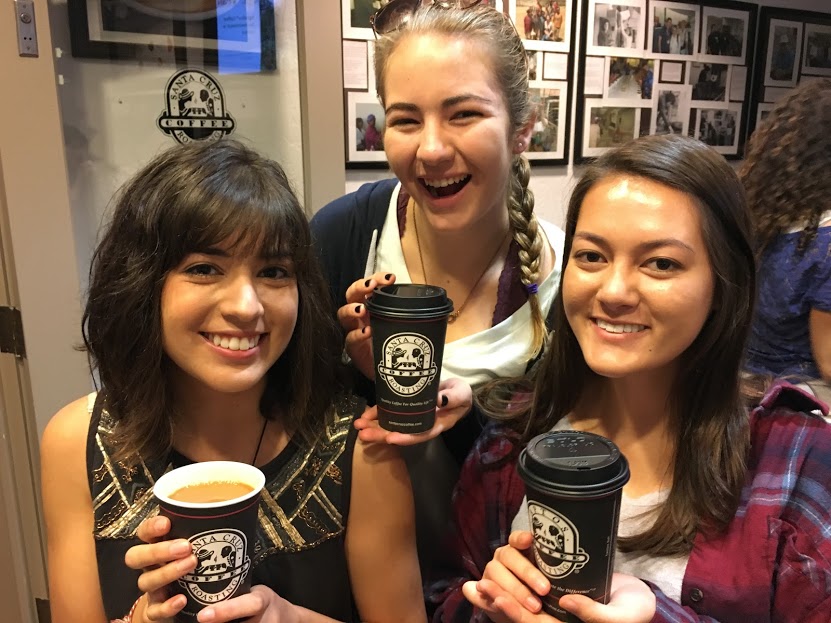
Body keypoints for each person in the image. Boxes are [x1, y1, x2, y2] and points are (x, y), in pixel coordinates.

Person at [426, 134, 831, 622]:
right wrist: (489, 603)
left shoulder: (795, 464)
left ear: (724, 286)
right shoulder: (511, 442)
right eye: (592, 256)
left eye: (661, 263)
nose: (614, 291)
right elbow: (445, 594)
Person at [40, 140, 426, 623]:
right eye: (204, 269)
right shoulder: (77, 442)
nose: (246, 306)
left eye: (273, 271)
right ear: (141, 284)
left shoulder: (359, 446)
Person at [311, 3, 565, 571]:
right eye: (405, 120)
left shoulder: (572, 279)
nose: (430, 150)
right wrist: (342, 364)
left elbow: (572, 470)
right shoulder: (342, 237)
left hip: (495, 591)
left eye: (463, 115)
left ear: (523, 127)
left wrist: (470, 414)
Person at [741, 79, 831, 401]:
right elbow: (829, 363)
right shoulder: (825, 242)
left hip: (740, 386)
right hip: (799, 400)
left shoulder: (757, 217)